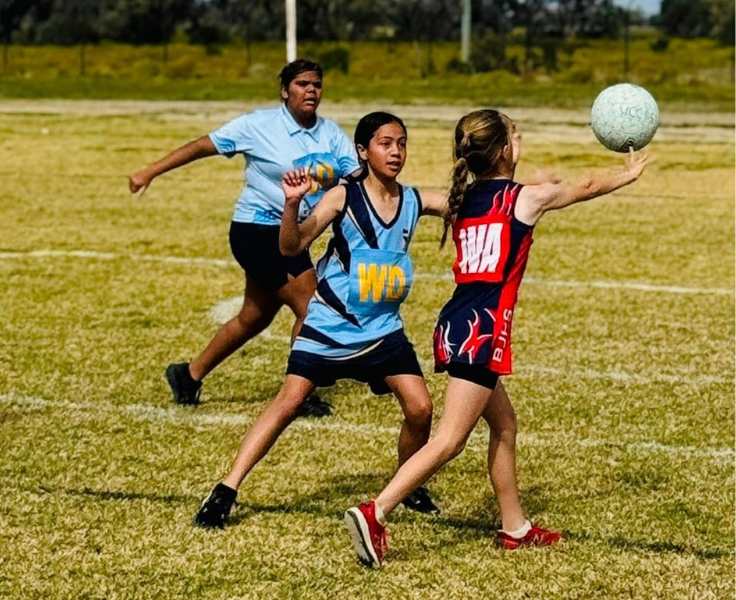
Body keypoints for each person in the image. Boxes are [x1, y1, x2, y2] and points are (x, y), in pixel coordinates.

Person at [344, 108, 650, 567]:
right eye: (515, 135)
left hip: (458, 324)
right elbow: (581, 188)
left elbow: (539, 187)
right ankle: (376, 511)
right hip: (480, 331)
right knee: (450, 440)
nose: (520, 140)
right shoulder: (521, 200)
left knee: (504, 426)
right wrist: (627, 175)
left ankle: (515, 527)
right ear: (506, 149)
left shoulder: (465, 199)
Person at [192, 112, 451, 528]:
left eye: (402, 143)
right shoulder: (342, 196)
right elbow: (292, 247)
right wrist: (292, 204)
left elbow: (466, 203)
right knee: (288, 403)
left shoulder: (414, 200)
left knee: (420, 409)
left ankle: (408, 484)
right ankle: (226, 489)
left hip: (382, 331)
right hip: (329, 326)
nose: (396, 151)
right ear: (362, 152)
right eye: (385, 143)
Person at [128, 59, 360, 413]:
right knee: (311, 307)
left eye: (316, 84)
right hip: (257, 230)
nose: (310, 90)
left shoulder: (329, 133)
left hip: (293, 234)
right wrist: (150, 171)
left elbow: (356, 174)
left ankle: (188, 375)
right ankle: (297, 396)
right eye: (301, 84)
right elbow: (202, 146)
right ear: (285, 91)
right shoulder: (258, 125)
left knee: (254, 317)